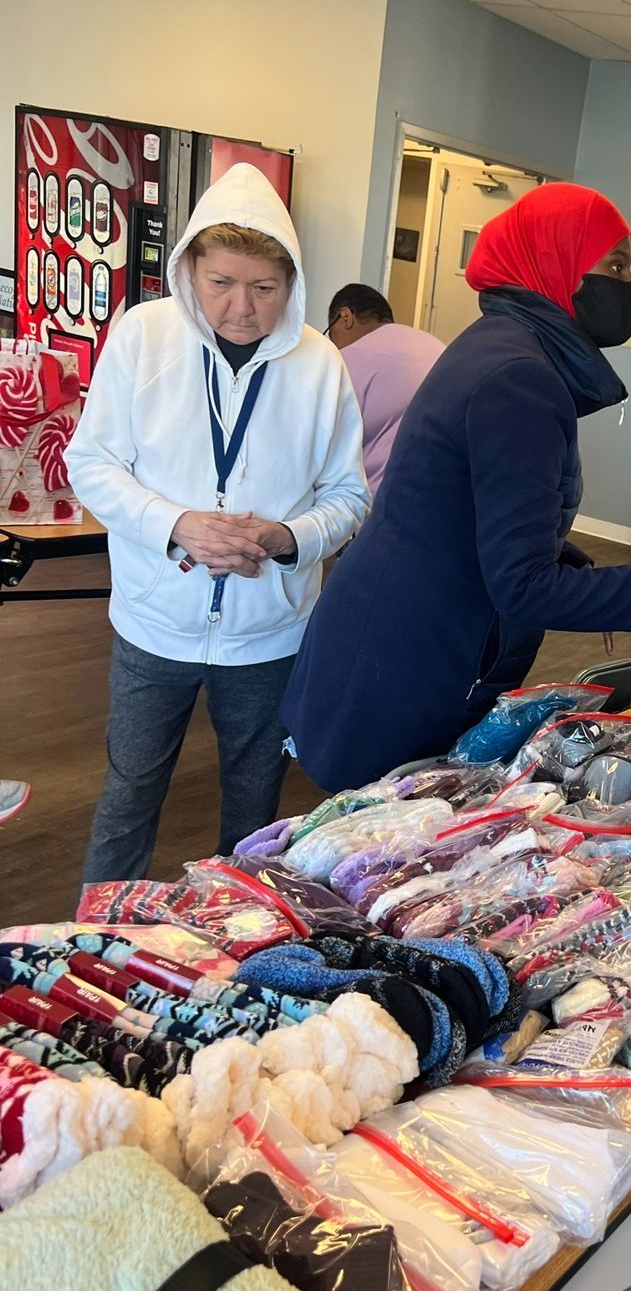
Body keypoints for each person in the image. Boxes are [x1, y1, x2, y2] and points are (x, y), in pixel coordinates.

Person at [283, 182, 631, 791]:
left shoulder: (499, 344)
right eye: (614, 265)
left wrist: (572, 564)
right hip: (414, 652)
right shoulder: (521, 379)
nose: (628, 287)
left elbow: (466, 505)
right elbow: (522, 587)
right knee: (381, 851)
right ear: (553, 262)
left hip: (391, 625)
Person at [66, 164, 369, 882]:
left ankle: (237, 947)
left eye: (264, 288)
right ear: (188, 270)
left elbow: (350, 496)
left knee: (255, 807)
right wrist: (175, 524)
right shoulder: (142, 337)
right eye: (221, 283)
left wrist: (288, 538)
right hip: (153, 621)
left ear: (291, 282)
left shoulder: (321, 364)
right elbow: (91, 463)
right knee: (130, 791)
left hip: (271, 635)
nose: (242, 308)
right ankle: (92, 940)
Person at [325, 284, 445, 496]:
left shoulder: (348, 360)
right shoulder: (436, 345)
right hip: (444, 495)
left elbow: (322, 446)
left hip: (383, 505)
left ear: (345, 318)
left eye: (331, 335)